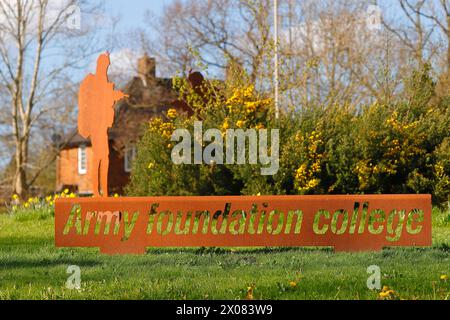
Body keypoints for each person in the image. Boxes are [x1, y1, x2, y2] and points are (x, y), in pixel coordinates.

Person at [78, 52, 128, 197]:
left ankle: (103, 191)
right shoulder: (92, 80)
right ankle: (96, 191)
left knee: (104, 157)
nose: (106, 68)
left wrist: (116, 96)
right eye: (105, 65)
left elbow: (106, 100)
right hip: (96, 125)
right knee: (99, 157)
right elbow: (93, 101)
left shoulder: (104, 81)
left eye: (107, 66)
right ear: (100, 64)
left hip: (103, 125)